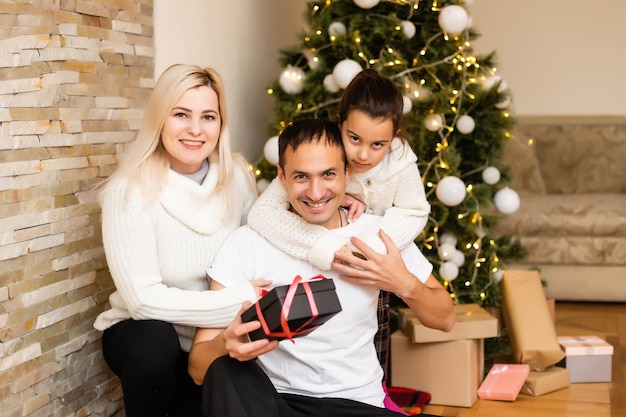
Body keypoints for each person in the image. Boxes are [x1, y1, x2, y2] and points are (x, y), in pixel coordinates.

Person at [188, 118, 455, 417]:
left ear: (347, 173)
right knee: (225, 371)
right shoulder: (246, 244)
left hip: (356, 404)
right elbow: (198, 369)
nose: (316, 193)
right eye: (301, 176)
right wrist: (227, 344)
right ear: (281, 176)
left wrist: (403, 283)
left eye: (328, 174)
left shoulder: (378, 237)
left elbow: (445, 318)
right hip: (275, 403)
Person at [93, 64, 269, 417]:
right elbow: (142, 302)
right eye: (181, 114)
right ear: (160, 119)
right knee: (153, 341)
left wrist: (351, 193)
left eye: (208, 116)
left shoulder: (237, 177)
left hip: (214, 336)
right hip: (145, 338)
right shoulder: (128, 191)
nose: (195, 129)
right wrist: (238, 300)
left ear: (221, 124)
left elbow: (264, 236)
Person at [246, 68, 431, 379]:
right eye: (354, 138)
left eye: (378, 145)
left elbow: (414, 210)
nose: (362, 154)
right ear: (339, 122)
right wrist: (327, 247)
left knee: (369, 344)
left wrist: (364, 246)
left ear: (394, 137)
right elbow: (262, 214)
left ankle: (374, 396)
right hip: (319, 254)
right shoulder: (321, 151)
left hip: (371, 262)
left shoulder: (400, 162)